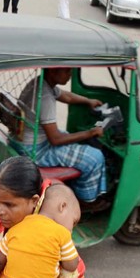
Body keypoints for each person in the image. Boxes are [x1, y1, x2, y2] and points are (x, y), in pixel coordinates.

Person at [12, 68, 106, 208]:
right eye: (67, 71)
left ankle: (76, 187)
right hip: (35, 151)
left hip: (21, 141)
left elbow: (65, 96)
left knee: (71, 138)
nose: (70, 75)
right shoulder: (45, 98)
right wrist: (90, 133)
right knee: (95, 157)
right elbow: (55, 139)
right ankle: (86, 202)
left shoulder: (41, 83)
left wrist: (88, 101)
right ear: (52, 72)